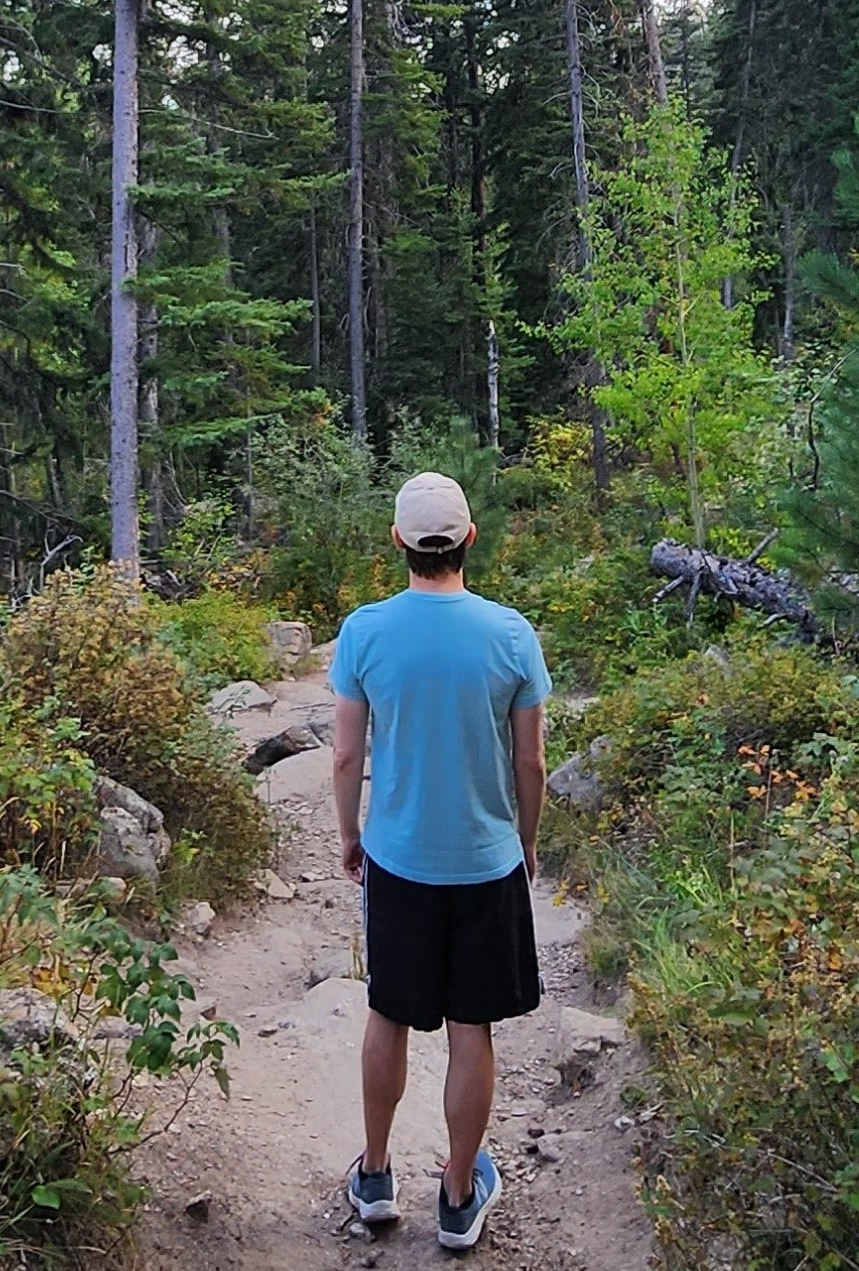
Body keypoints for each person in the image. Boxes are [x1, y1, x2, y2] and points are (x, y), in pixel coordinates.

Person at [329, 470, 552, 1253]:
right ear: (469, 539)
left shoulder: (364, 632)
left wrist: (352, 835)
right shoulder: (512, 635)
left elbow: (347, 753)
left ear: (398, 541)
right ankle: (458, 1191)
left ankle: (378, 1174)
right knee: (471, 1026)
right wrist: (524, 839)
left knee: (388, 1014)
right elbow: (531, 763)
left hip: (399, 859)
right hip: (486, 862)